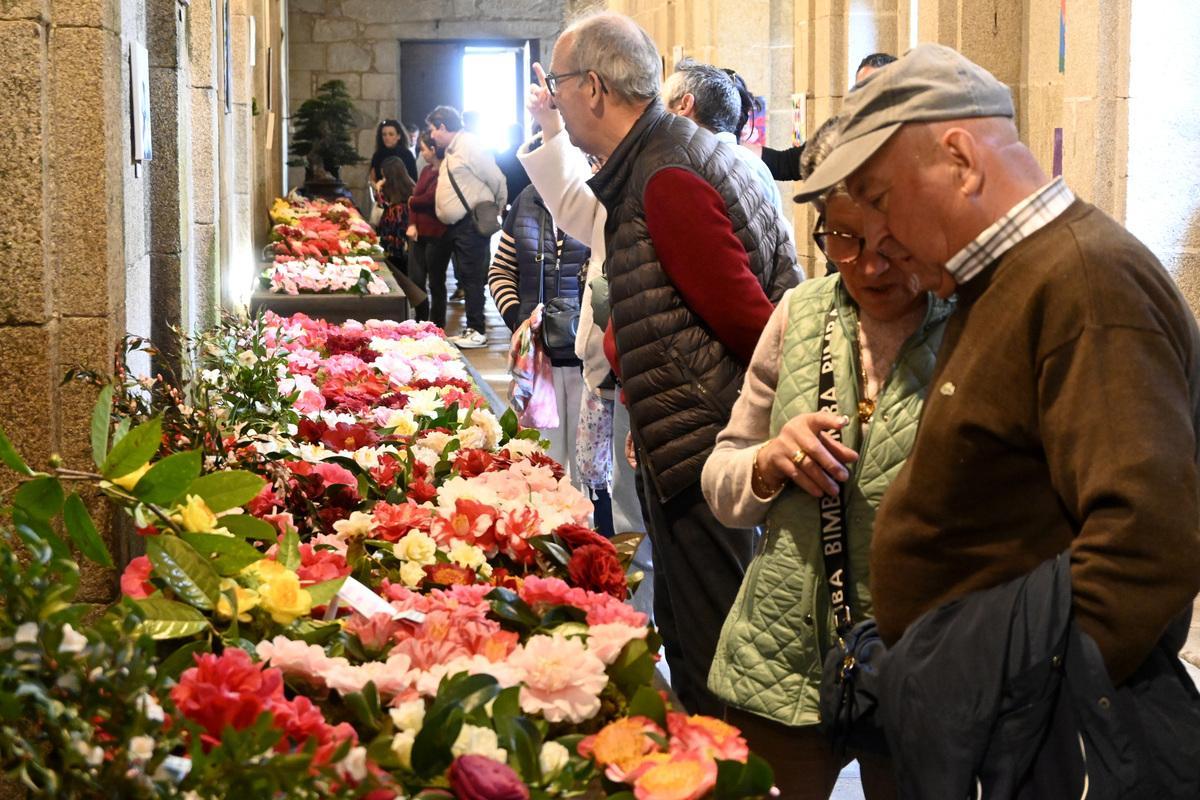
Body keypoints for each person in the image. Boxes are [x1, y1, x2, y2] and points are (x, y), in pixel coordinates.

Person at [794, 43, 1200, 792]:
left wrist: (1007, 708)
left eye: (880, 198)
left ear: (959, 157)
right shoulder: (1005, 279)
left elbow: (1150, 541)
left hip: (1030, 748)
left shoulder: (1084, 278)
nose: (876, 237)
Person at [545, 10, 802, 715]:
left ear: (593, 87)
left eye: (559, 84)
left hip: (705, 446)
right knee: (692, 636)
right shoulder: (660, 157)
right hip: (687, 430)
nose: (555, 99)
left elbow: (752, 325)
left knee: (710, 648)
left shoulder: (666, 175)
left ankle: (720, 776)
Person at [700, 116, 950, 799]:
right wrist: (767, 461)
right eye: (842, 238)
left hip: (918, 661)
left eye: (891, 243)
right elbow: (722, 475)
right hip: (782, 654)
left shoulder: (969, 328)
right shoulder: (798, 313)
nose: (869, 265)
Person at [519, 67, 645, 543]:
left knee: (637, 507)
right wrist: (552, 126)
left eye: (561, 85)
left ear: (594, 87)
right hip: (612, 362)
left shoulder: (657, 166)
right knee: (616, 495)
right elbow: (576, 206)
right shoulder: (620, 173)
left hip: (644, 367)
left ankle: (641, 600)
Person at [488, 181, 589, 483]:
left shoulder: (599, 196)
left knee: (591, 467)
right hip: (537, 360)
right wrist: (517, 319)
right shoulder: (528, 198)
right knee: (542, 461)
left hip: (590, 359)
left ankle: (596, 528)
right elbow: (501, 269)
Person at [427, 104, 507, 349]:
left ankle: (477, 329)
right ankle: (472, 328)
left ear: (442, 126)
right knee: (465, 275)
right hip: (455, 225)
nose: (431, 136)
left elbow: (496, 178)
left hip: (470, 223)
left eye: (432, 130)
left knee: (472, 277)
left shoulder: (469, 145)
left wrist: (498, 206)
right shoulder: (453, 149)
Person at [663, 59, 786, 215]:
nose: (659, 117)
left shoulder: (709, 168)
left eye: (662, 106)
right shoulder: (749, 162)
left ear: (684, 105)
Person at [760, 53, 897, 182]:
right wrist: (738, 148)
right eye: (861, 89)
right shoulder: (838, 131)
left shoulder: (909, 137)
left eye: (875, 89)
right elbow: (784, 164)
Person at [406, 131, 452, 328]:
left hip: (438, 233)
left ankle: (437, 324)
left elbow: (429, 199)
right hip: (419, 232)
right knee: (416, 280)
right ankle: (421, 320)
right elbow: (416, 198)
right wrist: (412, 223)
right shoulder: (425, 170)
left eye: (423, 149)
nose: (421, 153)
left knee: (436, 282)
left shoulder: (445, 171)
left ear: (433, 150)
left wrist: (413, 201)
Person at [375, 156, 416, 273]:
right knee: (404, 267)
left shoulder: (387, 189)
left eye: (384, 176)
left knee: (393, 267)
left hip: (391, 236)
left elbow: (381, 204)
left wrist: (378, 188)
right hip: (405, 237)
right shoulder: (411, 185)